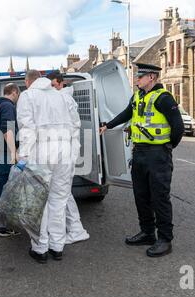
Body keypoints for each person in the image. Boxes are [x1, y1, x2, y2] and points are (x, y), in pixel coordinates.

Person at [100, 63, 184, 258]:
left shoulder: (163, 98)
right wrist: (108, 125)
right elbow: (126, 114)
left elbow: (178, 126)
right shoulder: (137, 96)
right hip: (139, 153)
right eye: (137, 76)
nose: (137, 79)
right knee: (141, 195)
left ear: (152, 77)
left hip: (157, 154)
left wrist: (168, 146)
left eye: (140, 76)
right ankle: (147, 232)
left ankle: (165, 239)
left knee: (159, 197)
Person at [17, 70, 81, 264]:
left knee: (39, 202)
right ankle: (57, 246)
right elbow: (75, 126)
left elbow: (27, 129)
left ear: (28, 82)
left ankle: (40, 248)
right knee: (59, 201)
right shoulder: (62, 97)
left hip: (41, 152)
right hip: (65, 151)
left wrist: (23, 156)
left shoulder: (28, 96)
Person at [47, 71, 90, 245]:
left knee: (61, 193)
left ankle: (75, 230)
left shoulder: (65, 100)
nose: (49, 89)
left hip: (65, 152)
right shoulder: (60, 100)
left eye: (51, 84)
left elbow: (72, 127)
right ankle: (76, 229)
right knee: (63, 193)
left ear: (59, 83)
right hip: (64, 152)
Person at [0, 83, 21, 237]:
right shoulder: (8, 106)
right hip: (4, 155)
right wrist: (14, 153)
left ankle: (0, 223)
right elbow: (7, 130)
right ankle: (2, 226)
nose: (17, 99)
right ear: (14, 92)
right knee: (5, 190)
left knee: (0, 189)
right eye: (18, 95)